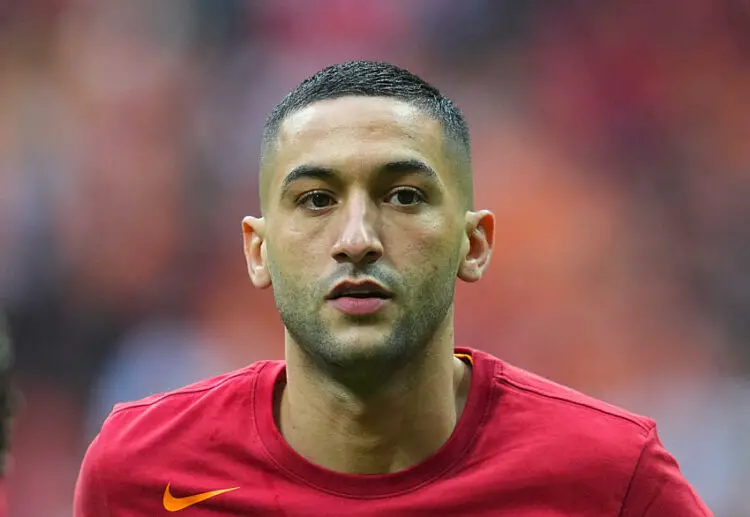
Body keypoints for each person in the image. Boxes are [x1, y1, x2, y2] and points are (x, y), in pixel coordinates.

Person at [74, 61, 711, 516]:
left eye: (404, 196)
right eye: (316, 199)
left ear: (475, 243)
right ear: (258, 250)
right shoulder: (139, 473)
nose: (357, 238)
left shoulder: (611, 478)